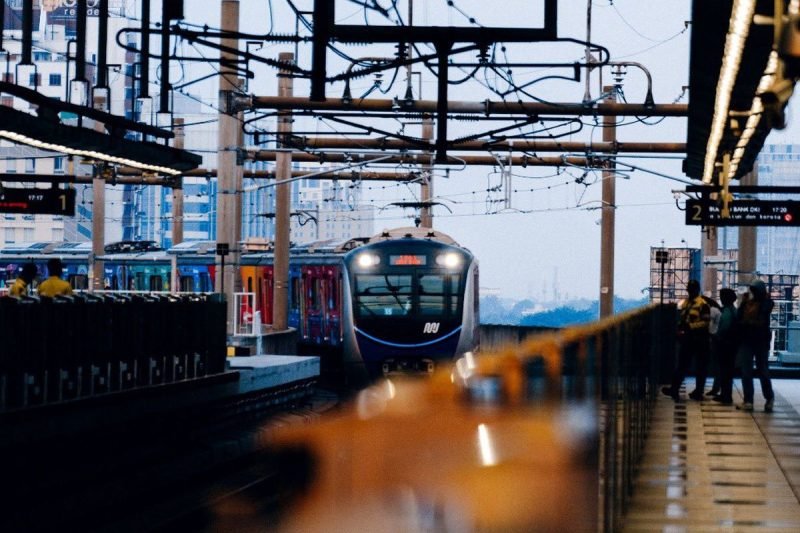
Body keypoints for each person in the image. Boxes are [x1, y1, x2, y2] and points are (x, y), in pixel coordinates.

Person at [662, 279, 711, 401]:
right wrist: (680, 328)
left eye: (692, 290)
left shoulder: (703, 304)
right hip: (688, 338)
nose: (690, 292)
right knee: (682, 364)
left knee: (700, 366)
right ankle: (675, 388)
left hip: (700, 338)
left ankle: (698, 391)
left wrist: (690, 327)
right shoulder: (686, 303)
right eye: (689, 290)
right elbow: (683, 318)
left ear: (697, 290)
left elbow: (705, 322)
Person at [736, 279, 774, 412]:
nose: (754, 293)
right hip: (749, 340)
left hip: (759, 341)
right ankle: (748, 400)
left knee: (762, 370)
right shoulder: (748, 303)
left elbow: (762, 316)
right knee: (747, 371)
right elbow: (739, 317)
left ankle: (768, 398)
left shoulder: (766, 303)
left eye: (755, 291)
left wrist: (748, 322)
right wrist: (743, 303)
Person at [712, 288, 739, 405]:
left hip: (725, 345)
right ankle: (726, 394)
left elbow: (723, 328)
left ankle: (725, 395)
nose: (721, 299)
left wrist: (716, 336)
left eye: (722, 296)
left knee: (724, 371)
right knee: (728, 371)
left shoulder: (727, 312)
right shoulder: (734, 310)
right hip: (732, 345)